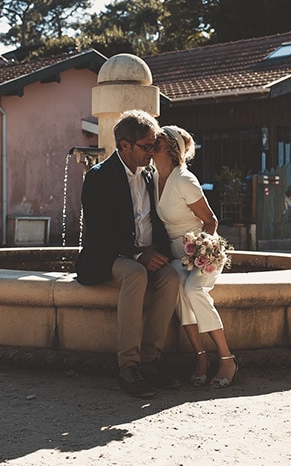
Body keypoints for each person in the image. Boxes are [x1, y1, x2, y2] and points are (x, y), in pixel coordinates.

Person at [75, 110, 181, 398]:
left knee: (171, 276)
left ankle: (151, 360)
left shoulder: (150, 175)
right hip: (108, 258)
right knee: (135, 274)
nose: (152, 151)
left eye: (153, 146)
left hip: (147, 255)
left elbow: (156, 223)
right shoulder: (99, 178)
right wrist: (138, 256)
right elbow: (99, 233)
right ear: (124, 146)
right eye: (146, 146)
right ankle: (128, 366)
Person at [151, 125, 239, 388]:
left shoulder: (184, 179)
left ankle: (227, 359)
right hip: (177, 258)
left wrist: (201, 251)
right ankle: (200, 358)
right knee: (177, 285)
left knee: (192, 289)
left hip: (204, 254)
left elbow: (210, 221)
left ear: (170, 148)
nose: (151, 142)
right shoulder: (154, 177)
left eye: (157, 140)